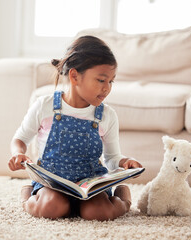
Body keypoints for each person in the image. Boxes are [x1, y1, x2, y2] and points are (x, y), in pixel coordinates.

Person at [8, 35, 143, 221]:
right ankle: (27, 196)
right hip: (52, 185)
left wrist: (125, 162)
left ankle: (123, 198)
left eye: (111, 81)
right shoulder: (44, 106)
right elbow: (20, 138)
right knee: (52, 208)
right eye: (101, 80)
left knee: (98, 213)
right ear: (74, 76)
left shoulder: (107, 115)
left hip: (90, 188)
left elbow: (112, 158)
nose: (107, 88)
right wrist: (18, 153)